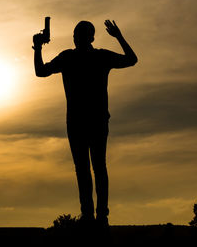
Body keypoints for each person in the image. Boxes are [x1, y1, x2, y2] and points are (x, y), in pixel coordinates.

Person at [33, 19, 137, 228]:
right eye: (75, 34)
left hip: (84, 121)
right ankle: (94, 216)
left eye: (78, 34)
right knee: (92, 168)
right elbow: (41, 72)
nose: (75, 38)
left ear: (88, 37)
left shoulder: (75, 57)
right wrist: (37, 48)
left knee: (90, 168)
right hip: (88, 120)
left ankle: (95, 216)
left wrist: (37, 48)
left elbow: (41, 71)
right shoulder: (92, 57)